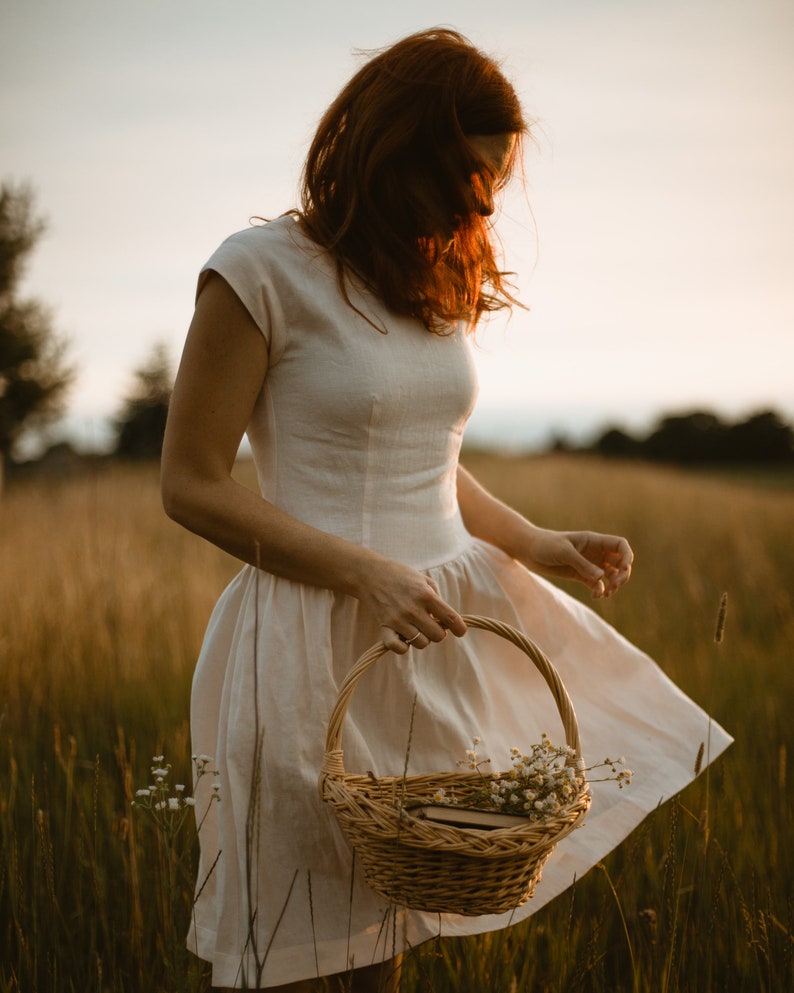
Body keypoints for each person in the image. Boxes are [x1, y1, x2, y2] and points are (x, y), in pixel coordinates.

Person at [161, 28, 731, 993]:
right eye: (466, 169)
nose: (481, 201)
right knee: (296, 947)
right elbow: (191, 483)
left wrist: (537, 540)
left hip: (435, 637)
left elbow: (434, 463)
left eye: (497, 180)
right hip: (311, 639)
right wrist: (362, 571)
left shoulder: (436, 280)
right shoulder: (258, 270)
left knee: (384, 941)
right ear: (394, 138)